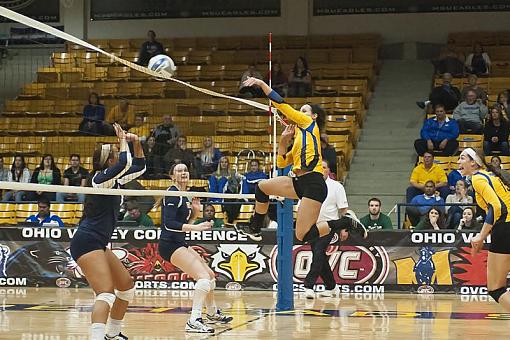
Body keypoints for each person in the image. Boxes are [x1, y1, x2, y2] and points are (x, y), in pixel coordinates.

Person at [236, 76, 366, 243]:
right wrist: (283, 141)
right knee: (262, 188)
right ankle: (255, 228)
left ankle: (346, 222)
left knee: (302, 235)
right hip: (299, 182)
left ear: (313, 116)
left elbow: (283, 105)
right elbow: (282, 163)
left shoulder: (308, 123)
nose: (301, 113)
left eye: (304, 111)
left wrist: (261, 85)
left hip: (313, 183)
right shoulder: (299, 138)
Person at [69, 123, 146, 340]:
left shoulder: (116, 181)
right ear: (109, 161)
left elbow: (139, 166)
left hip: (99, 243)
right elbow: (126, 161)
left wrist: (136, 142)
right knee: (105, 293)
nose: (117, 153)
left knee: (126, 287)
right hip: (87, 241)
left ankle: (112, 334)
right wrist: (122, 139)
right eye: (114, 153)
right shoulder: (99, 179)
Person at [159, 163, 232, 333]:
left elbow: (183, 223)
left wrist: (195, 214)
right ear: (172, 176)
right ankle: (194, 320)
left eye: (185, 170)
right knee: (203, 279)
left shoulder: (184, 196)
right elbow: (169, 224)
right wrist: (197, 228)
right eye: (179, 170)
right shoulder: (172, 194)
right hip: (169, 244)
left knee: (210, 276)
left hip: (178, 243)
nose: (183, 172)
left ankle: (212, 313)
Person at [459, 147, 510, 312]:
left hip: (505, 228)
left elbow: (496, 207)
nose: (458, 162)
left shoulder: (478, 179)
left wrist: (481, 236)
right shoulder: (491, 175)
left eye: (462, 158)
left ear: (473, 163)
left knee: (496, 289)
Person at [304, 160, 350, 299]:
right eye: (319, 167)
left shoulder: (337, 187)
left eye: (324, 167)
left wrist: (344, 228)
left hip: (329, 226)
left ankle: (308, 285)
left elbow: (343, 209)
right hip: (312, 226)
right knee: (321, 258)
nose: (321, 170)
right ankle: (332, 287)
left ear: (329, 170)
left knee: (318, 253)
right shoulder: (311, 186)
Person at [208, 156, 242, 224]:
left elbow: (235, 186)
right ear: (219, 163)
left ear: (228, 164)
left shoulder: (232, 174)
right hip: (218, 196)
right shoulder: (214, 175)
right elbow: (213, 189)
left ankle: (230, 220)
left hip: (230, 196)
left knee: (236, 202)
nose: (224, 164)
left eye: (225, 162)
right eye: (222, 162)